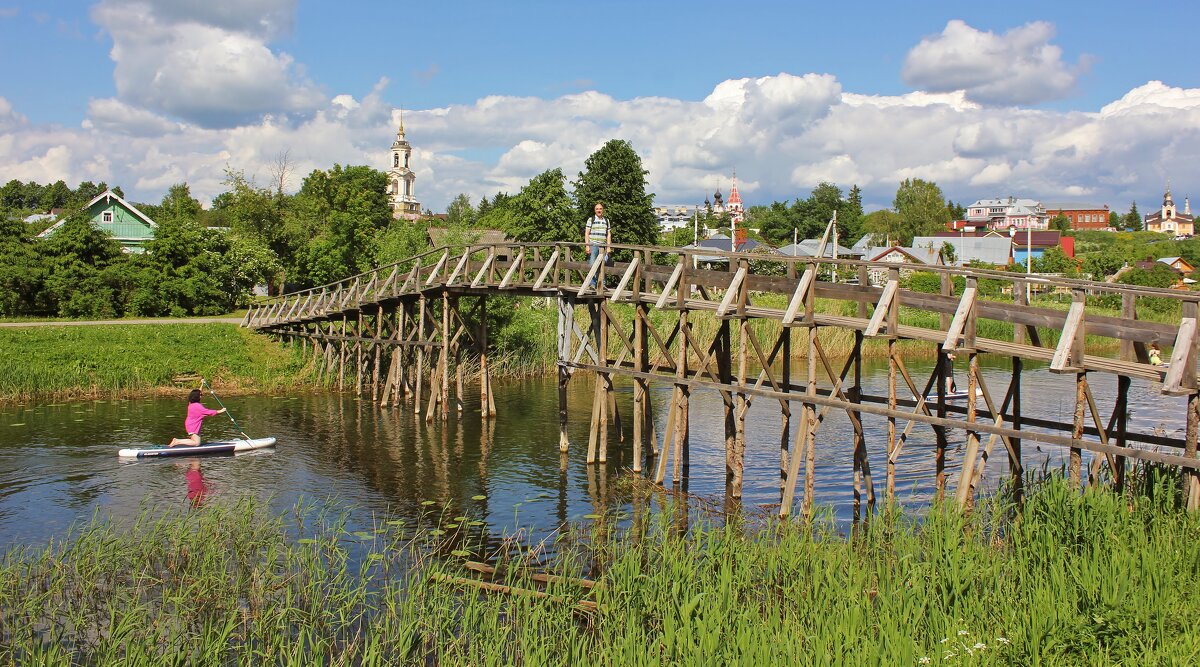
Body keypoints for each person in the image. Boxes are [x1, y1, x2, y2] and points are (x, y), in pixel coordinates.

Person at [584, 202, 611, 285]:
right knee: (592, 264)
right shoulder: (591, 219)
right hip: (593, 245)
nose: (599, 210)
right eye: (597, 209)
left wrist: (609, 247)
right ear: (594, 210)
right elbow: (587, 233)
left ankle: (602, 283)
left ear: (602, 210)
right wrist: (587, 246)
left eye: (600, 209)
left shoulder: (606, 220)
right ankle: (592, 283)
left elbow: (609, 234)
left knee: (603, 264)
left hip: (603, 246)